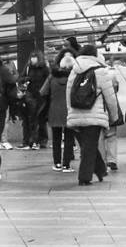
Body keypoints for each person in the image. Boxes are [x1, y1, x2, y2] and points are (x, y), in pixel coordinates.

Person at [64, 41, 112, 185]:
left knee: (88, 146)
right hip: (94, 116)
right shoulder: (101, 71)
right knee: (89, 147)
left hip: (75, 115)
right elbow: (110, 97)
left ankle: (101, 170)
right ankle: (84, 178)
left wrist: (70, 113)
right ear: (95, 55)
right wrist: (114, 116)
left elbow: (68, 94)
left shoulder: (74, 71)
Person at [46, 43, 76, 172]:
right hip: (70, 110)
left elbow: (43, 92)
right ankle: (67, 165)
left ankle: (57, 163)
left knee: (56, 139)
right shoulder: (74, 77)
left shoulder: (52, 77)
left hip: (54, 110)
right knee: (69, 138)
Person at [20, 53, 49, 148]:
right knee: (32, 117)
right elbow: (20, 78)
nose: (33, 59)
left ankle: (42, 140)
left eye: (34, 57)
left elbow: (48, 79)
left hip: (41, 95)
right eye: (32, 57)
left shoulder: (44, 68)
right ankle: (33, 140)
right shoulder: (28, 67)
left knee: (41, 118)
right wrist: (26, 79)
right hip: (31, 94)